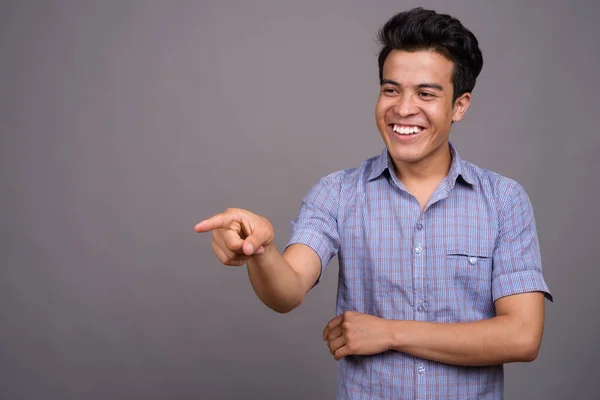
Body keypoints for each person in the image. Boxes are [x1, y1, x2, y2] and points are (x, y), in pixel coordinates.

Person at [195, 7, 552, 400]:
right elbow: (287, 289)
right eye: (391, 89)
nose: (402, 108)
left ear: (460, 106)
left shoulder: (503, 200)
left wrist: (389, 333)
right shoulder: (337, 193)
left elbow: (521, 336)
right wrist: (261, 251)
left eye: (426, 94)